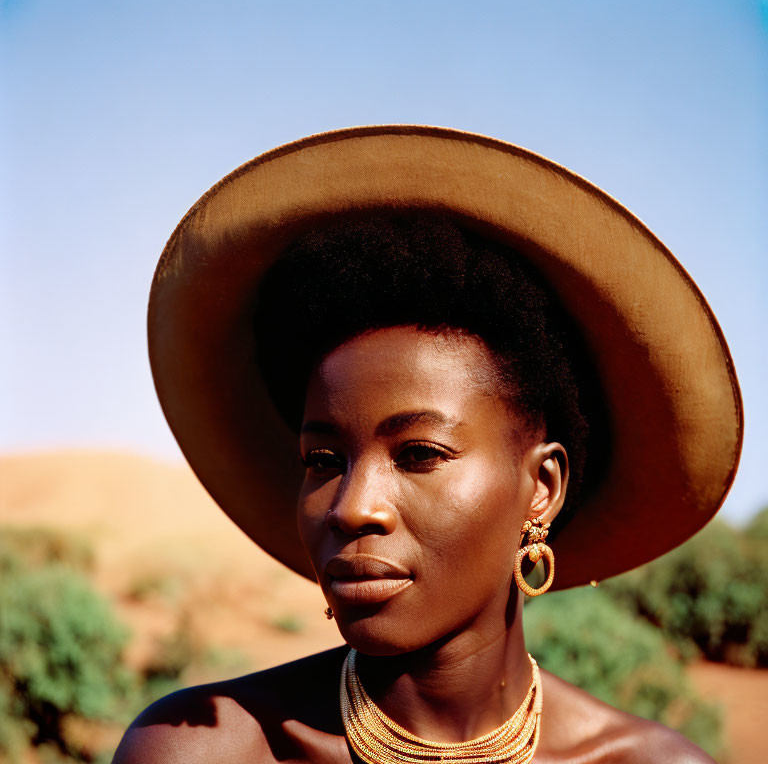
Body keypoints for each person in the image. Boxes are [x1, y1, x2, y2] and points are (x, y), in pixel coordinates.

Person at [113, 126, 742, 763]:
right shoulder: (209, 749)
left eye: (420, 454)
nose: (352, 507)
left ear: (542, 489)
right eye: (323, 461)